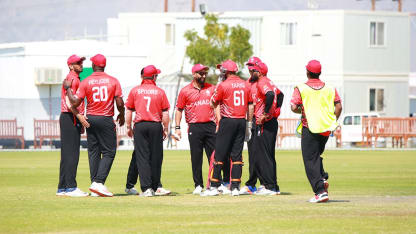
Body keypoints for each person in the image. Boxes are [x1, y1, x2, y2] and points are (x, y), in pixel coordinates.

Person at [64, 54, 125, 197]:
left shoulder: (86, 81)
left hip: (90, 118)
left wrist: (68, 89)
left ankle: (94, 186)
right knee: (110, 152)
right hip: (105, 118)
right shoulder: (113, 80)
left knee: (94, 152)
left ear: (92, 66)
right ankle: (98, 182)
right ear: (104, 66)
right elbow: (120, 103)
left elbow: (75, 102)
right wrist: (121, 114)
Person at [290, 60, 342, 203]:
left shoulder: (301, 88)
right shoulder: (330, 88)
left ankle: (320, 191)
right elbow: (338, 106)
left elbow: (294, 107)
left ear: (307, 72)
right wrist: (333, 121)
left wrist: (303, 109)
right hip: (326, 129)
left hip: (310, 127)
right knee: (315, 156)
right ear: (319, 72)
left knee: (309, 159)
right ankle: (322, 177)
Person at [174, 64, 230, 195]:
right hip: (194, 126)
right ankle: (198, 184)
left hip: (210, 126)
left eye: (205, 73)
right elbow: (179, 109)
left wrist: (219, 122)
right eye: (200, 73)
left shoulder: (211, 88)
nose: (203, 76)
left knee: (215, 156)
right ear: (194, 74)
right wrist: (177, 128)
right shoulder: (185, 91)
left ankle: (217, 183)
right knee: (196, 157)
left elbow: (216, 105)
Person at [202, 59, 249, 196]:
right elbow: (250, 105)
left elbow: (212, 103)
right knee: (237, 155)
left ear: (226, 71)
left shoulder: (223, 85)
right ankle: (235, 186)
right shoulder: (245, 84)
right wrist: (249, 124)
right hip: (241, 121)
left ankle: (215, 186)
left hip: (228, 121)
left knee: (220, 154)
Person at [125, 65, 170, 197]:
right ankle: (155, 187)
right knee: (156, 157)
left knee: (142, 157)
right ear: (154, 77)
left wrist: (128, 127)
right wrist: (166, 128)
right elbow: (165, 112)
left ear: (142, 77)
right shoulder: (160, 92)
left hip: (140, 126)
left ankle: (146, 189)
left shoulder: (135, 91)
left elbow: (128, 110)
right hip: (155, 125)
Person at [247, 62, 284, 195]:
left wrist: (266, 114)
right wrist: (276, 111)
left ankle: (270, 187)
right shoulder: (269, 81)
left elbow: (270, 95)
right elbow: (280, 95)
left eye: (253, 70)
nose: (250, 72)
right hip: (269, 122)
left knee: (265, 155)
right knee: (267, 154)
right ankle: (271, 186)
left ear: (260, 71)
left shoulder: (262, 81)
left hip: (265, 123)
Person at [56, 54, 90, 197]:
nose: (81, 64)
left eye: (81, 62)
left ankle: (62, 187)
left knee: (66, 154)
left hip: (68, 117)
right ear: (70, 65)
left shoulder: (72, 78)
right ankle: (71, 187)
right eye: (77, 63)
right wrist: (80, 117)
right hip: (70, 117)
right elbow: (70, 103)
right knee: (72, 154)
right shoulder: (72, 79)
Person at [239, 56, 265, 195]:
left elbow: (278, 96)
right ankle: (252, 184)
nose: (250, 69)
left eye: (252, 66)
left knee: (261, 153)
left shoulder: (263, 82)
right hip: (249, 120)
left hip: (261, 121)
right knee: (252, 153)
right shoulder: (246, 83)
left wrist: (270, 114)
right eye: (248, 66)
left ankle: (263, 183)